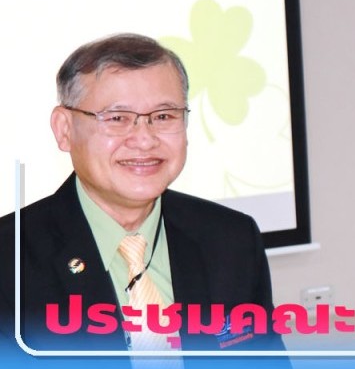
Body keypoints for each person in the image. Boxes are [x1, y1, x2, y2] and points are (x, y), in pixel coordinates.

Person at [0, 33, 284, 363]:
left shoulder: (231, 239)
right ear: (64, 129)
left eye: (163, 116)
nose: (144, 139)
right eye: (117, 118)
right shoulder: (10, 261)